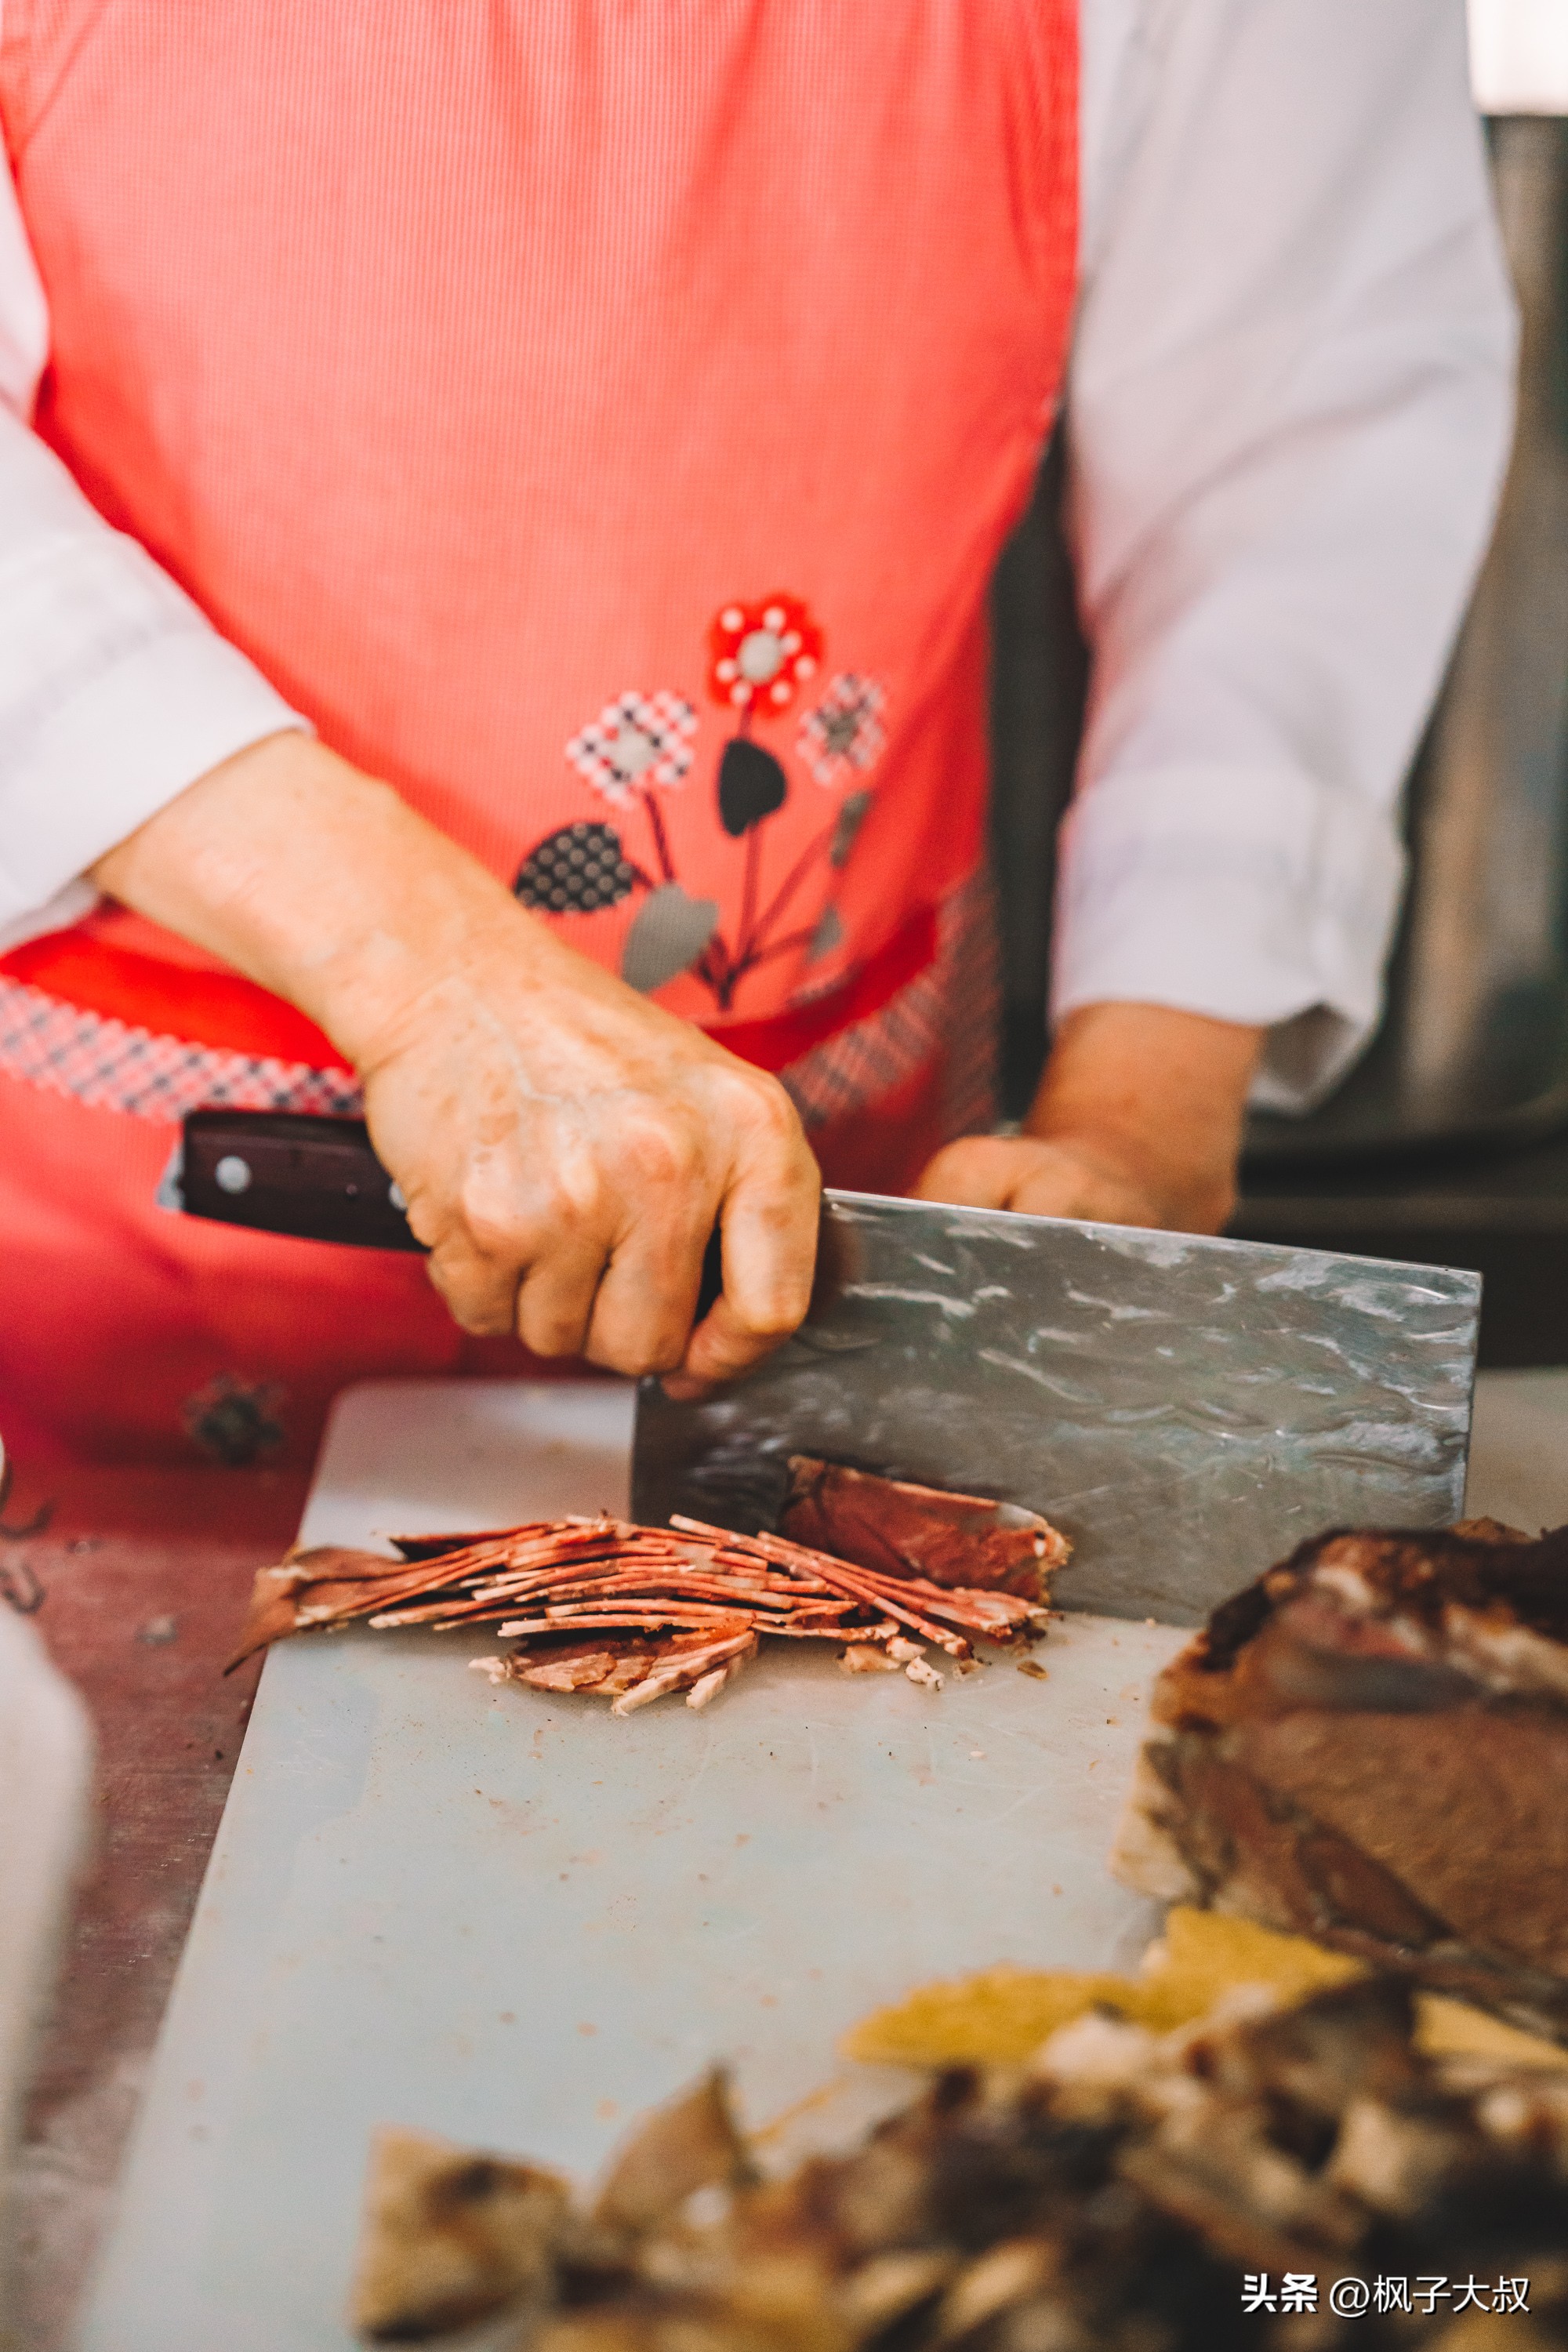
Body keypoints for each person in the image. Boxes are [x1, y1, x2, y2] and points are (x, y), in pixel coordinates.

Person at [0, 0, 1514, 1468]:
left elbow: (1305, 417)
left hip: (836, 1196)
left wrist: (1140, 1121)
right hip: (98, 1248)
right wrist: (432, 983)